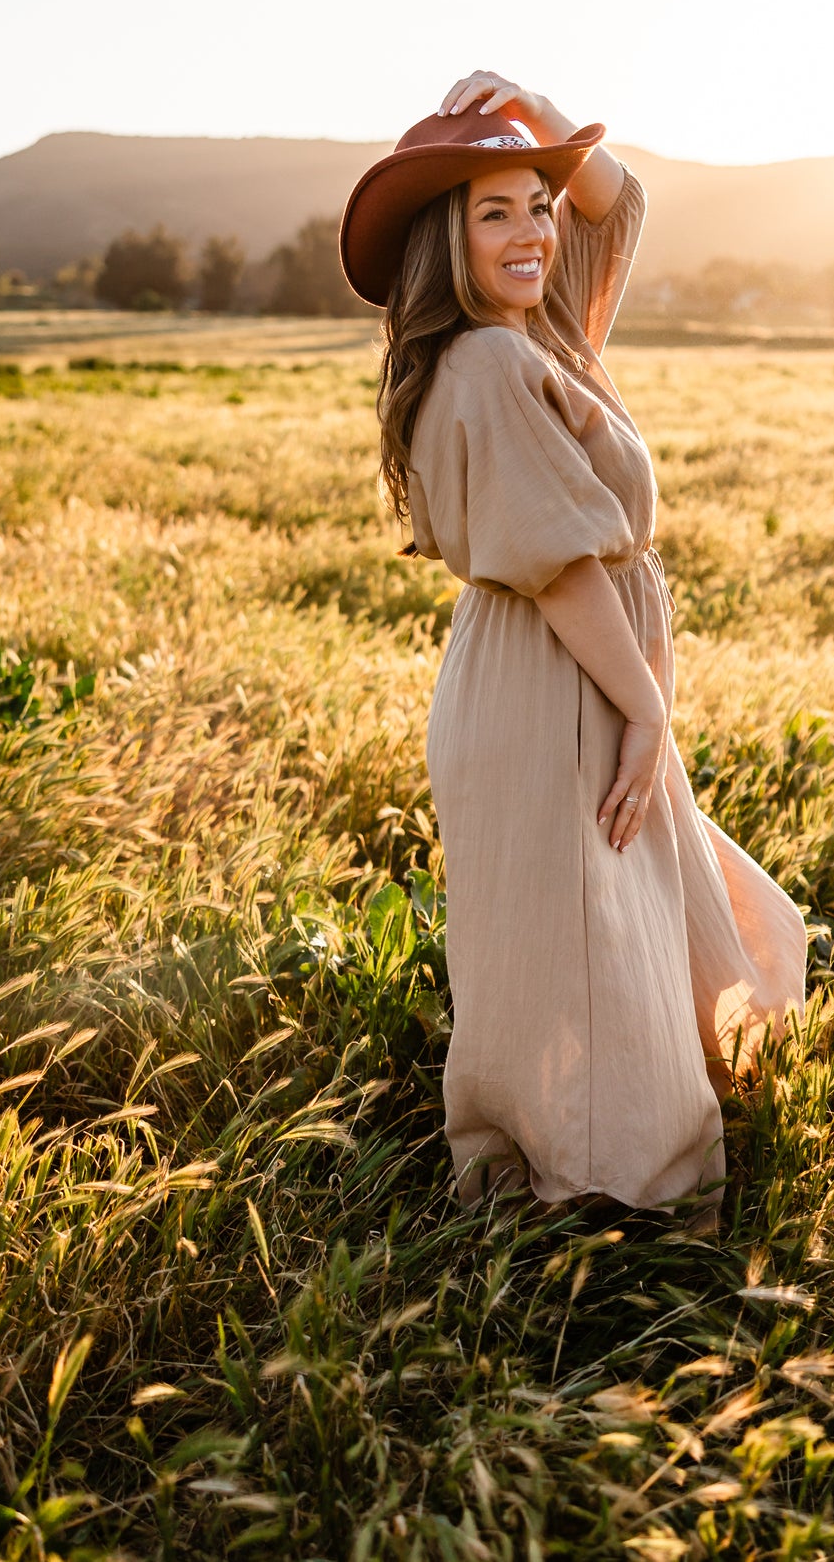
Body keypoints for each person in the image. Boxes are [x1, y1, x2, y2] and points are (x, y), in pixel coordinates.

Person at [340, 71, 806, 1218]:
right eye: (492, 211)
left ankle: (572, 1165)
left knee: (622, 917)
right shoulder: (492, 360)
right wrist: (645, 706)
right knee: (588, 941)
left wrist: (535, 113)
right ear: (447, 240)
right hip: (561, 675)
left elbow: (617, 202)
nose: (532, 229)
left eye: (533, 203)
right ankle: (607, 1202)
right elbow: (557, 563)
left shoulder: (540, 328)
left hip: (579, 668)